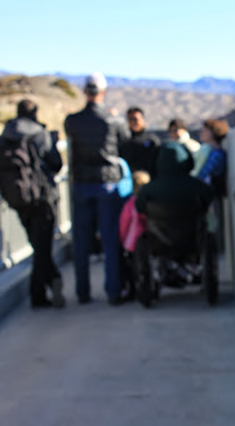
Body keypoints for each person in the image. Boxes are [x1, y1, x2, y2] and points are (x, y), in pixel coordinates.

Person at [64, 72, 130, 306]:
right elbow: (125, 140)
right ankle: (113, 291)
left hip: (81, 184)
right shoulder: (112, 120)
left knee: (81, 241)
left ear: (85, 92)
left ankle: (83, 292)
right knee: (110, 239)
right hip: (107, 184)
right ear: (103, 92)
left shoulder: (73, 121)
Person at [0, 100, 65, 308]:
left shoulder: (6, 135)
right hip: (42, 196)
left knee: (37, 245)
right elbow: (56, 164)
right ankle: (41, 291)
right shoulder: (39, 134)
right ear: (35, 113)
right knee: (42, 247)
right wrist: (53, 143)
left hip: (17, 198)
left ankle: (48, 283)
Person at [135, 142, 213, 218]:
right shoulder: (198, 187)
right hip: (192, 226)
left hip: (157, 226)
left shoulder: (147, 191)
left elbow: (139, 208)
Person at [193, 118, 229, 251]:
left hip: (212, 198)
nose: (202, 132)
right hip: (207, 198)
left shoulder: (216, 154)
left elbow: (204, 174)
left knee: (212, 232)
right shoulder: (207, 152)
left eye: (205, 130)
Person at [119, 170, 150, 300]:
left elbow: (124, 223)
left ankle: (133, 290)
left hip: (131, 242)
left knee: (132, 268)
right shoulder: (149, 203)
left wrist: (122, 239)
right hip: (147, 240)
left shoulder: (129, 204)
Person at [119, 107, 160, 173]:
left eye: (135, 119)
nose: (133, 122)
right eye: (130, 119)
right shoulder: (124, 141)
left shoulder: (151, 140)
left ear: (142, 120)